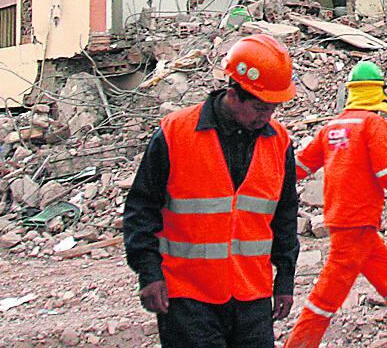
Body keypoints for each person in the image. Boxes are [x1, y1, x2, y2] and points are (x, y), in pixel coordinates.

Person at [123, 33, 301, 348]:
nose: (266, 117)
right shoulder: (176, 134)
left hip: (252, 296)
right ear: (234, 93)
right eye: (260, 107)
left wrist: (284, 279)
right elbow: (141, 209)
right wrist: (149, 273)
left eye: (273, 108)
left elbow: (284, 216)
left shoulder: (279, 143)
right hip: (188, 298)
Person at [283, 61, 387, 348]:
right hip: (357, 221)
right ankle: (298, 344)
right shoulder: (373, 124)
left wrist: (270, 173)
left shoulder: (331, 128)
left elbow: (299, 166)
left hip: (347, 221)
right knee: (328, 294)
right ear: (377, 93)